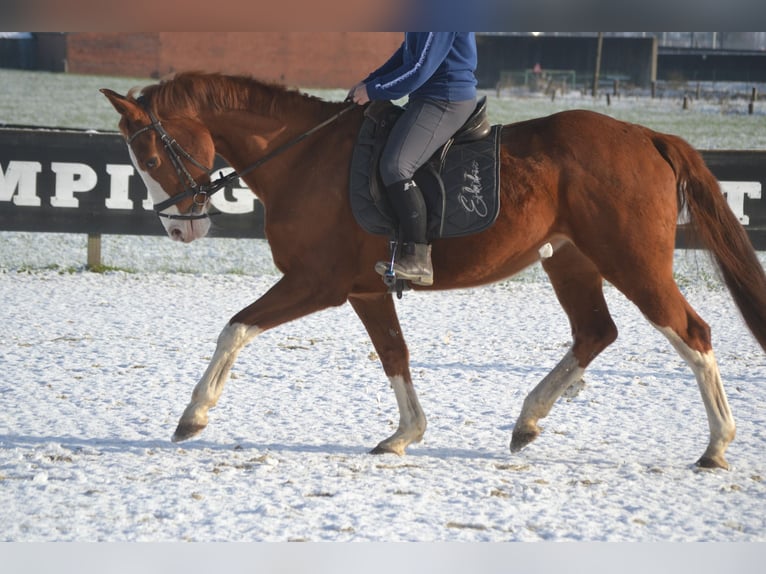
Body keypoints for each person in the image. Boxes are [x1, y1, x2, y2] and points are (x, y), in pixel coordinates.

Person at [348, 32, 478, 286]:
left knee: (396, 166)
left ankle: (418, 258)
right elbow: (407, 53)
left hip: (445, 99)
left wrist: (375, 90)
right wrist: (369, 82)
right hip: (426, 97)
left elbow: (420, 68)